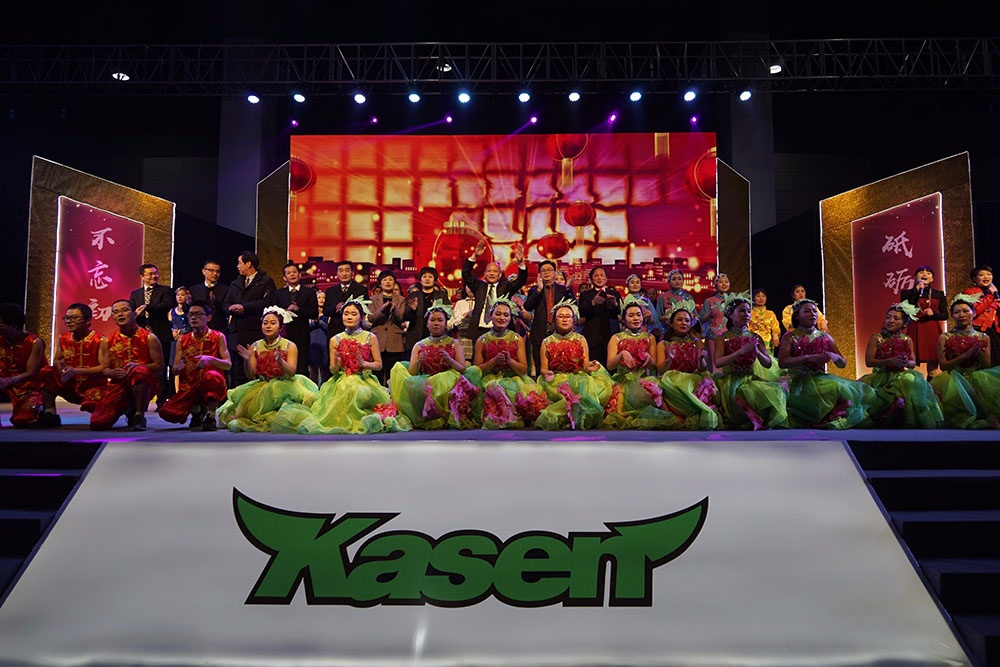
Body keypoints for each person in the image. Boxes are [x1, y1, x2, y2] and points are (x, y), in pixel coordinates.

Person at [276, 298, 410, 434]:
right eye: (346, 314)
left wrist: (364, 364)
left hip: (364, 380)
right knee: (348, 392)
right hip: (342, 381)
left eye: (353, 314)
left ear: (361, 317)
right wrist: (337, 363)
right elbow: (333, 369)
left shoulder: (370, 337)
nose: (349, 317)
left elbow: (379, 365)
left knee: (357, 391)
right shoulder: (335, 339)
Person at [217, 306, 318, 432]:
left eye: (273, 323)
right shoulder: (255, 346)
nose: (268, 326)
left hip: (285, 385)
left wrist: (280, 361)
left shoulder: (289, 346)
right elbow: (250, 375)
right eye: (265, 323)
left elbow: (291, 372)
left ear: (281, 327)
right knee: (242, 413)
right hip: (262, 385)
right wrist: (247, 360)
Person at [778, 299, 874, 429]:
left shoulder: (825, 336)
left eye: (814, 311)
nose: (812, 314)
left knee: (842, 387)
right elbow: (783, 362)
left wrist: (835, 357)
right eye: (807, 311)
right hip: (798, 379)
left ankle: (835, 419)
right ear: (797, 316)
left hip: (820, 377)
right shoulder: (790, 336)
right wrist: (808, 358)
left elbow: (842, 364)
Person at [391, 299, 481, 429]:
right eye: (432, 320)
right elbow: (412, 373)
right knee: (400, 370)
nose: (436, 323)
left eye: (440, 320)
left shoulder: (454, 343)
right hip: (426, 382)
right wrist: (418, 361)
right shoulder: (419, 345)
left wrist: (450, 360)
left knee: (446, 379)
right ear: (427, 324)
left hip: (448, 383)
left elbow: (462, 368)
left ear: (445, 323)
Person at [859, 302, 944, 428]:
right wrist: (890, 361)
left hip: (901, 375)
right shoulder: (876, 338)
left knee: (911, 383)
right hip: (881, 376)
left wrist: (905, 362)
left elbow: (912, 362)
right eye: (888, 317)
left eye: (896, 318)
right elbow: (869, 361)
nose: (891, 321)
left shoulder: (907, 339)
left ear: (904, 324)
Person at [604, 295, 681, 429]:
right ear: (623, 319)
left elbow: (654, 367)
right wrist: (621, 355)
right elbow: (610, 365)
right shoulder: (616, 338)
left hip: (645, 381)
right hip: (624, 381)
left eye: (638, 315)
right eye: (631, 315)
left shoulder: (650, 338)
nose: (636, 318)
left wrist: (649, 359)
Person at [535, 299, 613, 430]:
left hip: (578, 378)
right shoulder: (546, 342)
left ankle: (574, 418)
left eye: (568, 316)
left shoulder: (581, 339)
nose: (564, 319)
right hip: (556, 381)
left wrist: (590, 367)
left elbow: (585, 366)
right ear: (554, 319)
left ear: (573, 320)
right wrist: (547, 374)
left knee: (583, 391)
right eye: (560, 316)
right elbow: (543, 368)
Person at [714, 293, 788, 430]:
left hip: (750, 378)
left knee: (775, 391)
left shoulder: (755, 337)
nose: (746, 314)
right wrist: (739, 352)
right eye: (742, 311)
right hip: (731, 381)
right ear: (731, 314)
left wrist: (757, 352)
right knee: (744, 394)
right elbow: (718, 362)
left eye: (748, 311)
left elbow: (768, 363)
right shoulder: (722, 337)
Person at [473, 298, 547, 429]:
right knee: (495, 386)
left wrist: (510, 362)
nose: (502, 318)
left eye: (506, 315)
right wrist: (493, 361)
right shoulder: (482, 340)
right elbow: (477, 370)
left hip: (514, 379)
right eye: (498, 314)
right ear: (490, 315)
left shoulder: (516, 339)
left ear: (510, 318)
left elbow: (523, 369)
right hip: (489, 380)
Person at [159, 300, 231, 430]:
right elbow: (174, 369)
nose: (193, 317)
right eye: (191, 314)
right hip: (189, 386)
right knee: (167, 413)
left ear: (209, 317)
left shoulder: (218, 337)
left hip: (211, 383)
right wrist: (177, 368)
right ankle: (197, 411)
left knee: (212, 377)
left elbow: (228, 364)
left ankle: (210, 415)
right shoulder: (182, 340)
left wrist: (210, 359)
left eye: (198, 314)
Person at [930, 294, 1000, 429]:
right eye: (956, 312)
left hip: (976, 377)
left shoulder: (983, 337)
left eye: (965, 311)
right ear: (952, 316)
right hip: (953, 379)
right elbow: (943, 366)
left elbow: (986, 366)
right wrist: (965, 356)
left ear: (974, 313)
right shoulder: (945, 337)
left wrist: (979, 354)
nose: (961, 315)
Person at [99, 300, 165, 431]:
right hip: (119, 384)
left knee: (140, 371)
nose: (120, 314)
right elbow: (105, 369)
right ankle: (129, 408)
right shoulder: (107, 341)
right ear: (112, 317)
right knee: (98, 423)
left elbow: (160, 366)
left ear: (135, 314)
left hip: (144, 382)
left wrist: (139, 366)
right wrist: (111, 372)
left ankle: (139, 414)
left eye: (124, 310)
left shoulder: (150, 338)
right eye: (116, 312)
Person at [656, 299, 719, 430]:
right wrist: (669, 359)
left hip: (693, 379)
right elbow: (660, 369)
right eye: (679, 320)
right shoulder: (663, 344)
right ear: (671, 323)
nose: (684, 323)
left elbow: (702, 368)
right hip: (672, 382)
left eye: (687, 320)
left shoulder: (697, 343)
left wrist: (701, 359)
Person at [46, 303, 109, 428]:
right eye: (67, 318)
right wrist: (60, 366)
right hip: (71, 384)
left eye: (74, 318)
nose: (69, 321)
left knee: (99, 422)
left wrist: (76, 371)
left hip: (93, 387)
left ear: (88, 321)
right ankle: (50, 414)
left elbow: (103, 367)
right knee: (46, 372)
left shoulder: (100, 340)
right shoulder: (63, 338)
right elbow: (57, 360)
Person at [0, 303, 60, 428]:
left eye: (1, 324)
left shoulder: (34, 342)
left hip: (27, 385)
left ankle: (45, 412)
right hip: (4, 380)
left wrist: (9, 381)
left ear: (13, 325)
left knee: (23, 420)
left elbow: (31, 373)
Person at [224, 251, 277, 387]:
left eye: (239, 263)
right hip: (237, 334)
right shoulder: (235, 283)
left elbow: (269, 302)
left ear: (248, 264)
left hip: (255, 332)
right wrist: (230, 308)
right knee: (237, 373)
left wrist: (245, 307)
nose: (237, 266)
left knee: (256, 371)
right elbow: (226, 303)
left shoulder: (265, 281)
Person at [128, 263, 174, 409]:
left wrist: (147, 307)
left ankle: (161, 402)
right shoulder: (136, 294)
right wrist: (134, 314)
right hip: (142, 337)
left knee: (161, 369)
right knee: (142, 368)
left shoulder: (165, 291)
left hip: (161, 335)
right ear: (142, 276)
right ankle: (141, 402)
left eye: (155, 273)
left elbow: (166, 305)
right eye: (150, 274)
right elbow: (131, 308)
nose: (154, 276)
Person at [462, 239, 527, 339]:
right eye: (489, 271)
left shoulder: (506, 287)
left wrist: (521, 263)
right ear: (485, 274)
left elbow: (521, 280)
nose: (492, 273)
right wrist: (475, 256)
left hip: (501, 330)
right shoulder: (479, 286)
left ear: (500, 274)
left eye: (495, 271)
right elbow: (466, 274)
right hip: (479, 330)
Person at [270, 262, 319, 376]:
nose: (292, 274)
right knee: (283, 365)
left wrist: (298, 309)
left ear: (299, 275)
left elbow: (314, 313)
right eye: (288, 273)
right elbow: (274, 312)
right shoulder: (278, 293)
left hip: (302, 335)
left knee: (301, 366)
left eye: (294, 272)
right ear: (284, 277)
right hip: (284, 334)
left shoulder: (309, 292)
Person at [523, 260, 570, 376]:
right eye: (543, 270)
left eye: (549, 270)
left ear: (555, 272)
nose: (546, 272)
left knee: (559, 366)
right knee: (540, 368)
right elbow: (527, 306)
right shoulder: (535, 290)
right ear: (540, 274)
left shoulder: (562, 289)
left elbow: (572, 307)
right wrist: (539, 290)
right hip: (539, 333)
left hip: (558, 332)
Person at [901, 265, 947, 377]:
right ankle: (915, 385)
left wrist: (934, 314)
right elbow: (906, 310)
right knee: (912, 365)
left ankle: (932, 387)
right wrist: (916, 292)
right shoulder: (907, 293)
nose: (925, 274)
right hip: (915, 328)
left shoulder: (939, 294)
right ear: (915, 277)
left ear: (932, 279)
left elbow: (945, 315)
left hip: (932, 330)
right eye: (921, 272)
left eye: (928, 273)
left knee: (933, 367)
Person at [367, 270, 407, 386]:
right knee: (377, 376)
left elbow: (402, 318)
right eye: (384, 280)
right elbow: (371, 318)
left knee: (392, 376)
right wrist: (382, 309)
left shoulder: (401, 299)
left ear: (395, 283)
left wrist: (395, 309)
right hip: (377, 340)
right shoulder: (372, 299)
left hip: (394, 341)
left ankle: (392, 396)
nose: (388, 282)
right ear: (380, 284)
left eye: (390, 279)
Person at [579, 266, 621, 369]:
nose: (599, 278)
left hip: (611, 334)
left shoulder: (614, 294)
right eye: (596, 276)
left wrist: (614, 304)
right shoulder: (585, 295)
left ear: (606, 278)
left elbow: (619, 313)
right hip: (593, 336)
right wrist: (593, 303)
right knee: (594, 367)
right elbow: (582, 312)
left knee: (612, 366)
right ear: (591, 279)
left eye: (602, 275)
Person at [402, 266, 449, 358]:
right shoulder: (413, 295)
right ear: (420, 280)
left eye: (430, 277)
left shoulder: (441, 295)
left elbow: (449, 314)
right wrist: (413, 310)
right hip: (416, 334)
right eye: (424, 276)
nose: (427, 279)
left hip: (436, 335)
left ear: (435, 280)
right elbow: (405, 317)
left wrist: (438, 308)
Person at [962, 265, 1000, 368]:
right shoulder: (969, 292)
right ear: (974, 278)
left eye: (989, 274)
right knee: (981, 361)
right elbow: (975, 311)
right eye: (981, 275)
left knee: (995, 361)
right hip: (977, 329)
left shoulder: (995, 294)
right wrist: (990, 296)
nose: (986, 277)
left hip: (993, 330)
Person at [323, 260, 369, 339]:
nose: (344, 274)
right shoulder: (330, 291)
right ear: (337, 274)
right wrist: (335, 307)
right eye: (341, 271)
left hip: (355, 330)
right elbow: (326, 310)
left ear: (352, 273)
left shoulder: (361, 289)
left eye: (347, 270)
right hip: (335, 331)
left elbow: (364, 309)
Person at [188, 260, 229, 333]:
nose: (215, 273)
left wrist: (216, 302)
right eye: (211, 270)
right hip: (198, 329)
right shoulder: (194, 289)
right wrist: (187, 303)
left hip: (218, 329)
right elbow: (188, 310)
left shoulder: (225, 289)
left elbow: (226, 309)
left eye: (217, 271)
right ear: (203, 271)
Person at [657, 269, 695, 334]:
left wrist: (691, 316)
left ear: (683, 281)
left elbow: (695, 316)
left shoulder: (688, 297)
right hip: (667, 331)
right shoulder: (662, 297)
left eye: (679, 279)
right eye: (674, 279)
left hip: (686, 332)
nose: (677, 281)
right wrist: (668, 317)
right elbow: (658, 317)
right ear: (669, 282)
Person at [169, 286, 192, 390]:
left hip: (185, 340)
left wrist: (181, 332)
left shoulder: (189, 311)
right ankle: (176, 391)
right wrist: (173, 332)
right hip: (174, 341)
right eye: (178, 295)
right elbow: (170, 325)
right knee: (175, 366)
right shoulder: (172, 311)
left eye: (182, 295)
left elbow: (190, 326)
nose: (180, 297)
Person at [699, 273, 732, 340]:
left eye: (726, 282)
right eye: (720, 282)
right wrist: (711, 312)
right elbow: (701, 319)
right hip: (713, 336)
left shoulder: (733, 300)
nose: (724, 284)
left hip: (729, 335)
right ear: (715, 285)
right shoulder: (709, 301)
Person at [308, 291, 330, 387]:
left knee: (324, 369)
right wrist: (314, 322)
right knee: (313, 369)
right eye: (319, 297)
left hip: (324, 343)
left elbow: (329, 329)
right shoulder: (310, 315)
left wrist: (320, 323)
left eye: (324, 297)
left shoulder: (328, 315)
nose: (322, 300)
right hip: (313, 343)